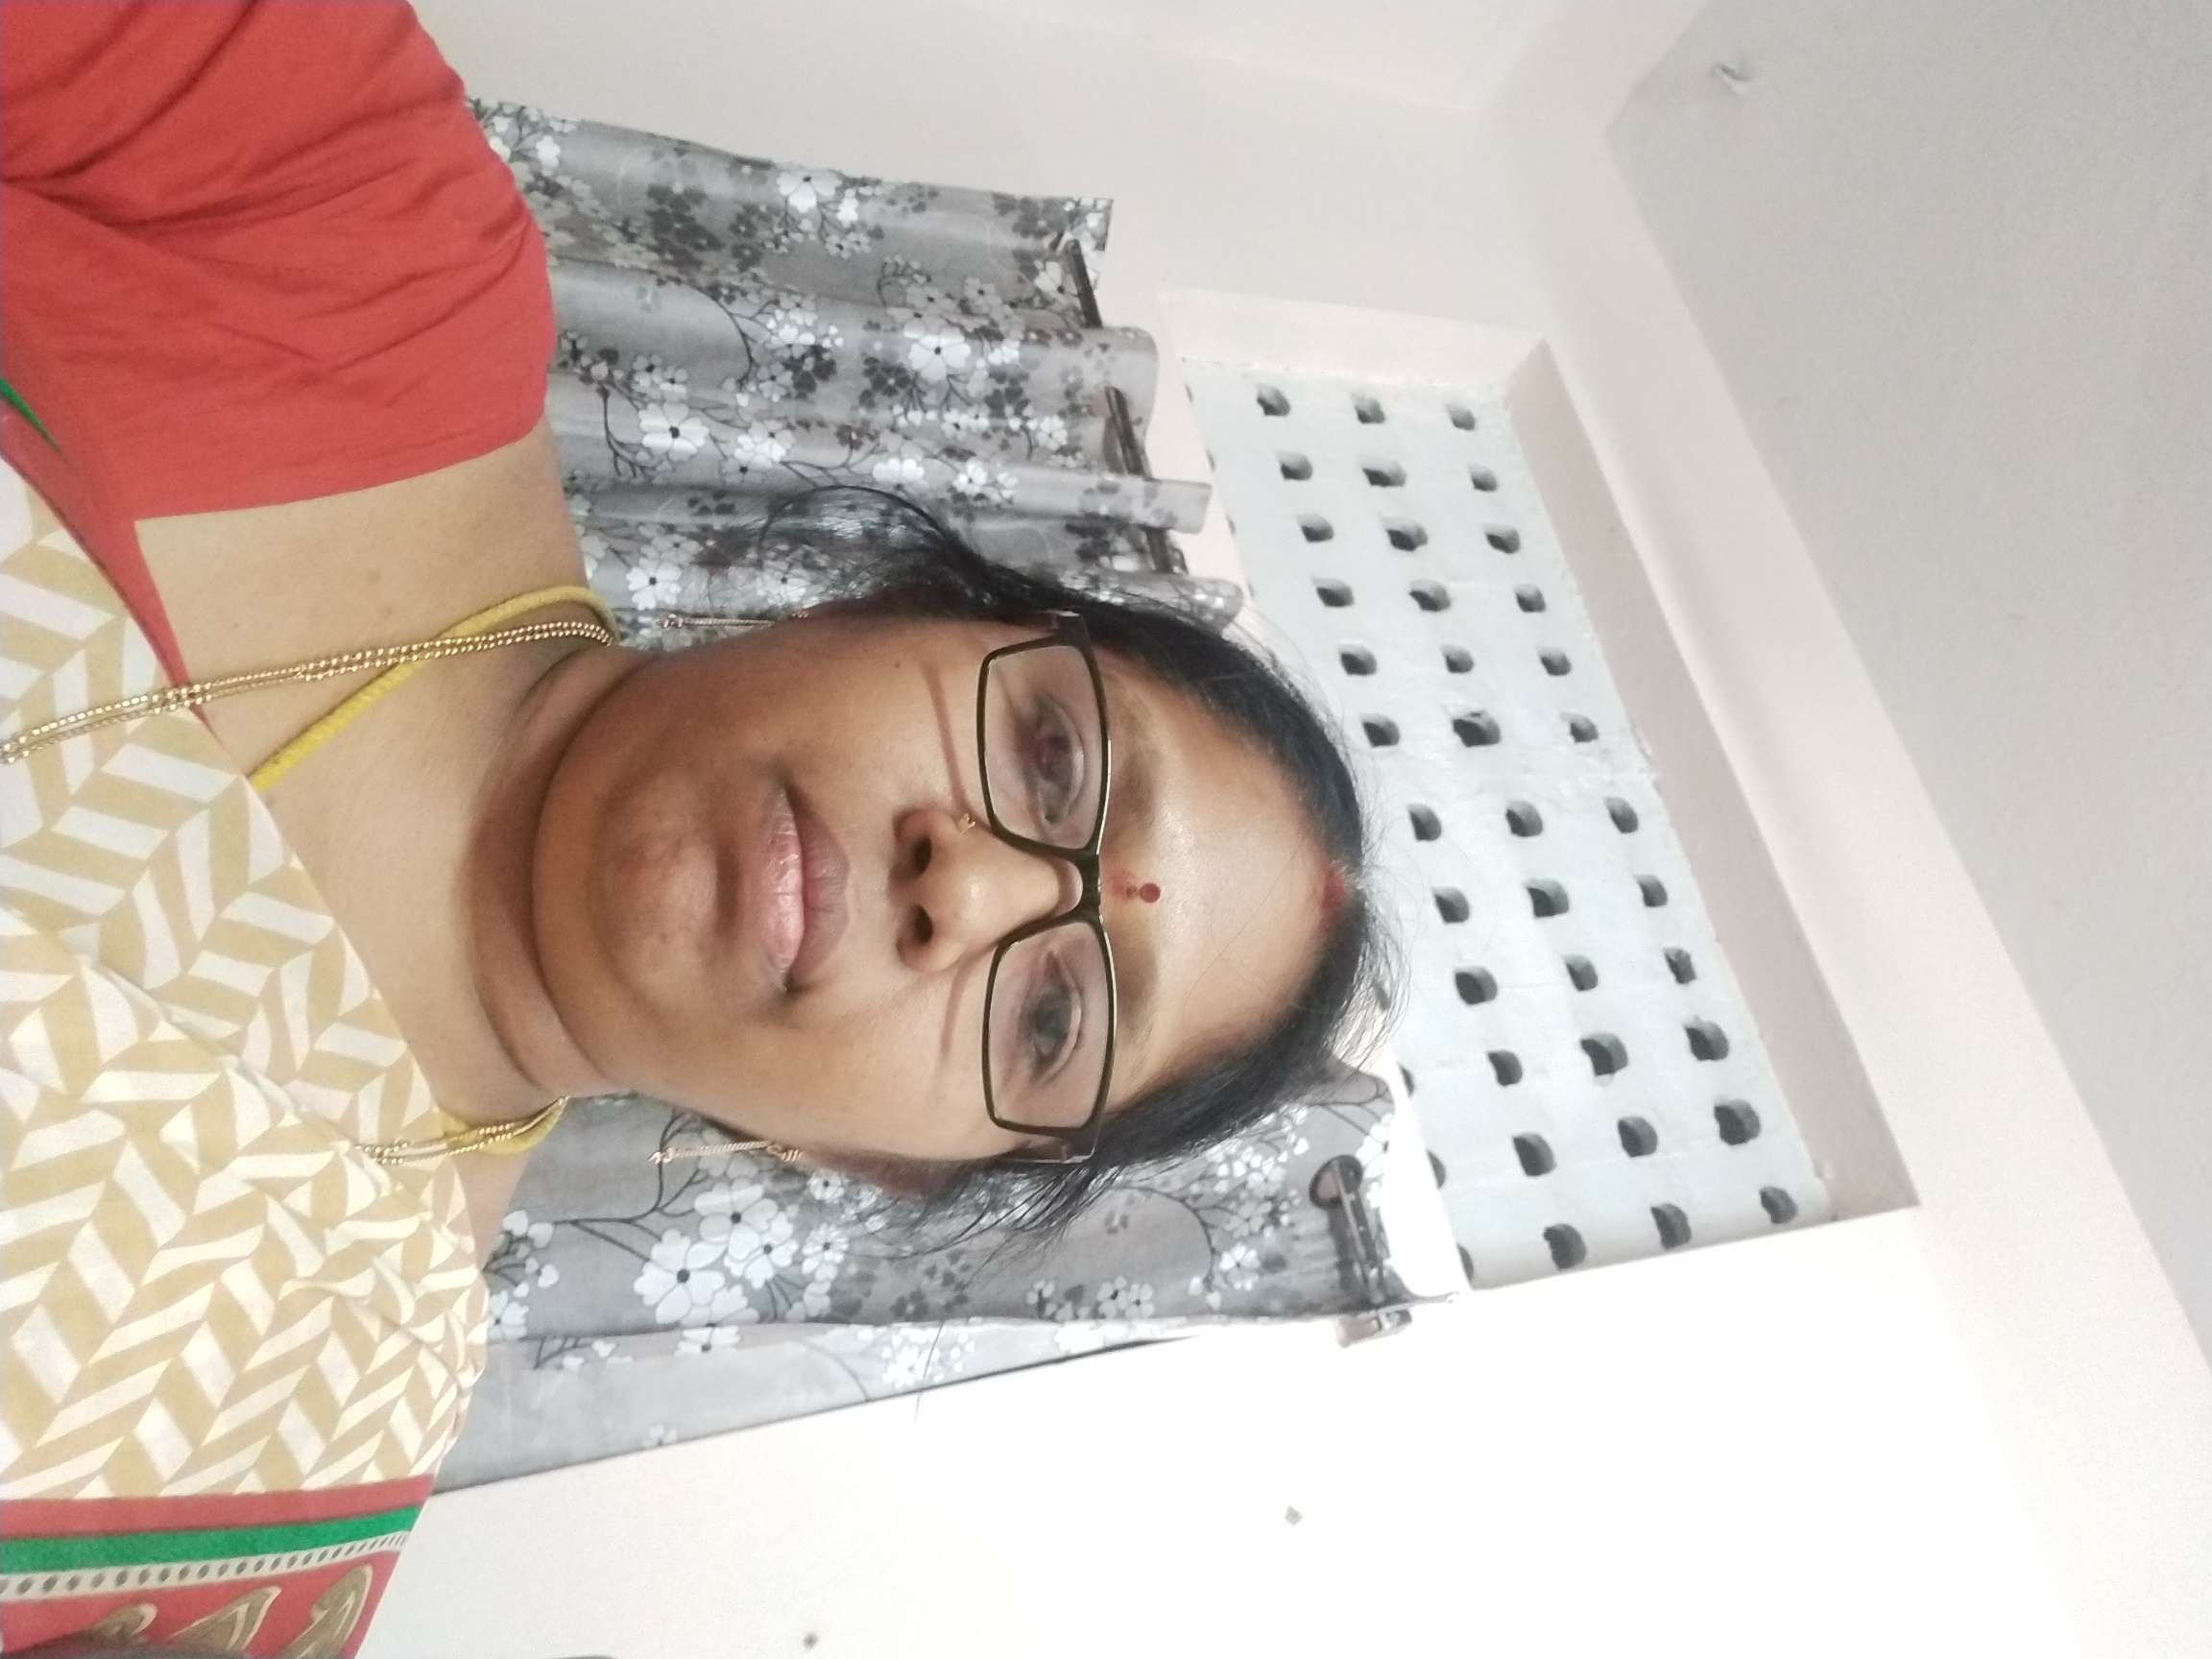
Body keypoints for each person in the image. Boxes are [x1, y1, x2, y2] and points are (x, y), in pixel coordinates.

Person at [0, 4, 1382, 1655]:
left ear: (876, 1162)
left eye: (1051, 1018)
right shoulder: (353, 221)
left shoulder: (274, 1436)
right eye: (1051, 757)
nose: (967, 888)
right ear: (892, 609)